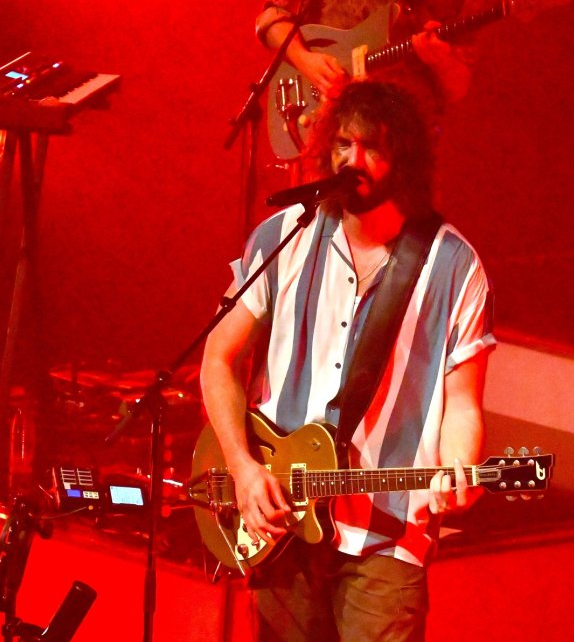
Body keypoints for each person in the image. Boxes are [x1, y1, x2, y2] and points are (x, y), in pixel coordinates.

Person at [200, 80, 495, 640]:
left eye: (372, 148)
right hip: (282, 519)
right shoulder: (284, 237)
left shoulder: (453, 265)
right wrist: (242, 466)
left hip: (387, 537)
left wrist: (460, 467)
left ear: (402, 159)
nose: (352, 161)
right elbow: (219, 356)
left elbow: (462, 402)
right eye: (342, 144)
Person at [255, 0, 483, 123]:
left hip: (397, 143)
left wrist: (440, 59)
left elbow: (459, 85)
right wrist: (305, 60)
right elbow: (271, 18)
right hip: (324, 128)